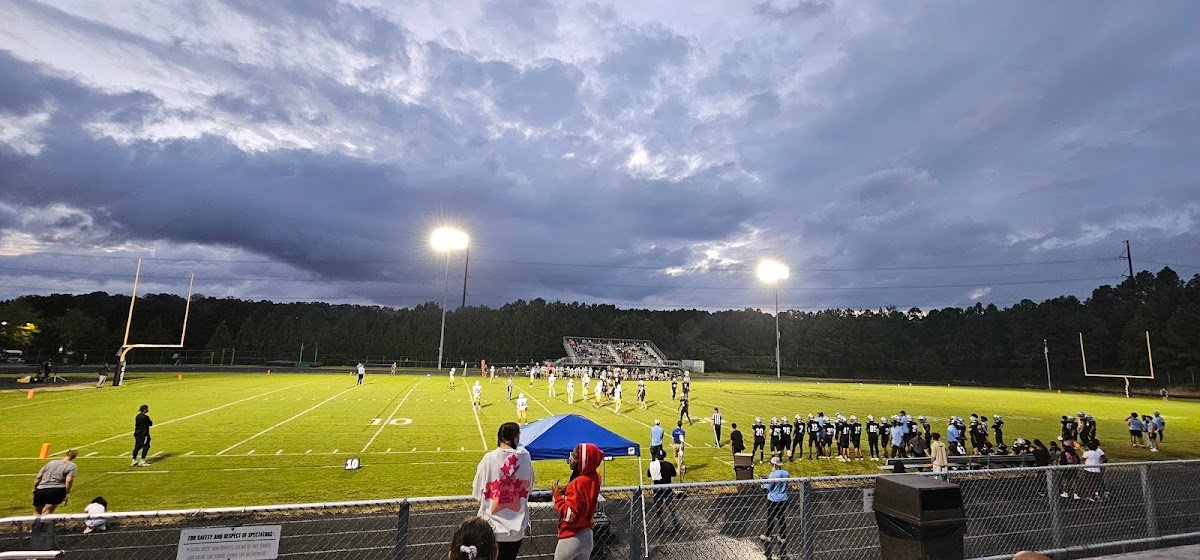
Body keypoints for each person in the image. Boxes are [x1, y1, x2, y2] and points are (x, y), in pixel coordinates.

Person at [473, 422, 533, 560]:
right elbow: (529, 486)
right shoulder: (525, 457)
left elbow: (477, 493)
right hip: (516, 529)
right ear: (516, 438)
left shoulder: (489, 459)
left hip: (491, 528)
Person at [552, 443, 603, 560]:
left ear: (584, 462)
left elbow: (570, 516)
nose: (571, 459)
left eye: (575, 457)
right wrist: (567, 488)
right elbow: (584, 493)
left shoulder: (577, 483)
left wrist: (557, 496)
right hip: (587, 536)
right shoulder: (595, 476)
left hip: (571, 538)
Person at [33, 450, 77, 515]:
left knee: (37, 511)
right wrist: (66, 492)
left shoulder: (51, 462)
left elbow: (38, 477)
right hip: (57, 490)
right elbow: (69, 481)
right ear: (74, 457)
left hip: (41, 489)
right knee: (47, 511)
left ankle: (36, 524)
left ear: (65, 455)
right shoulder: (72, 466)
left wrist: (35, 488)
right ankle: (46, 525)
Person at [759, 456, 790, 548]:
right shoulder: (786, 473)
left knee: (771, 517)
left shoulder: (773, 474)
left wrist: (763, 482)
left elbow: (767, 487)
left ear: (774, 464)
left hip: (773, 499)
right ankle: (783, 536)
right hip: (783, 499)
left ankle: (768, 535)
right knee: (781, 517)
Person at [646, 448, 679, 531]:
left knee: (658, 506)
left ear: (657, 457)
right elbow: (674, 474)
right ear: (664, 456)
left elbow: (649, 475)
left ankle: (661, 522)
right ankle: (675, 520)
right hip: (667, 489)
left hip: (657, 489)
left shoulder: (653, 465)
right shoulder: (669, 465)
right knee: (671, 505)